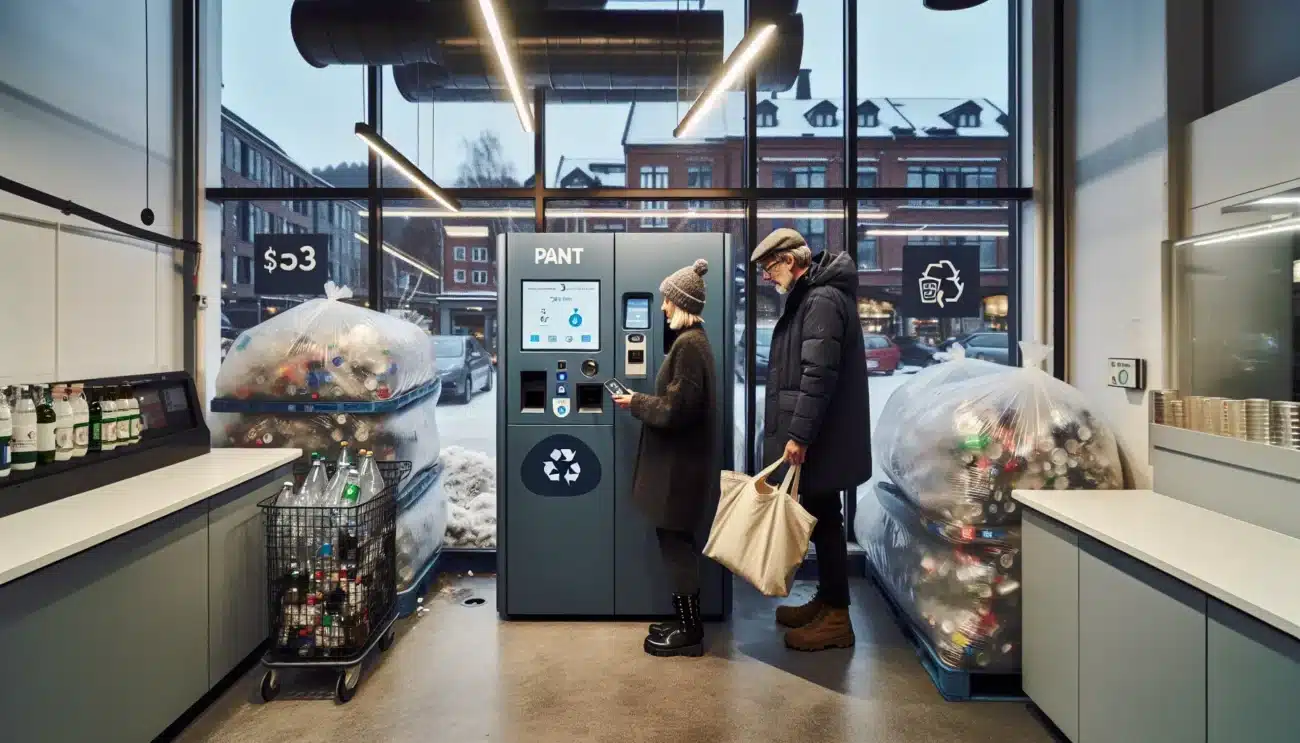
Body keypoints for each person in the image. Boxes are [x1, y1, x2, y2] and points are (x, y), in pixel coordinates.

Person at [751, 228, 871, 652]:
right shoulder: (814, 296)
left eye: (769, 267)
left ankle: (837, 618)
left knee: (826, 519)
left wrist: (799, 435)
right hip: (823, 434)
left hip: (821, 436)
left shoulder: (820, 299)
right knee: (822, 518)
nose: (767, 276)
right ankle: (828, 601)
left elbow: (817, 375)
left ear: (790, 259)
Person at [612, 259, 718, 658]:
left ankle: (690, 632)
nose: (662, 308)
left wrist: (635, 401)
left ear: (682, 303)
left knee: (676, 545)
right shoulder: (693, 343)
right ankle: (684, 620)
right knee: (675, 541)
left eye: (667, 302)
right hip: (680, 468)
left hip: (679, 471)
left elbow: (677, 410)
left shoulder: (690, 346)